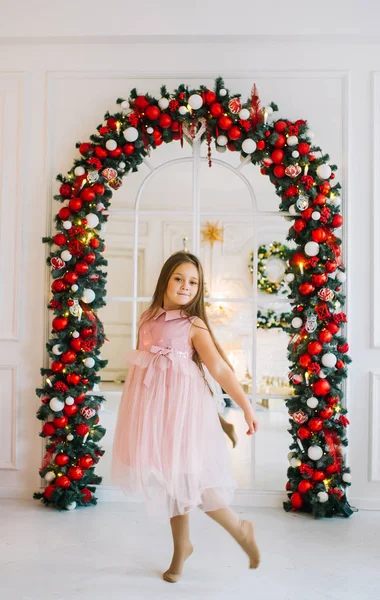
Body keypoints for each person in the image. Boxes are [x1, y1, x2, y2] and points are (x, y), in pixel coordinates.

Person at [111, 251, 260, 582]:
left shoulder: (194, 326)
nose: (185, 286)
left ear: (200, 289)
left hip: (184, 414)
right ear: (165, 279)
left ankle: (239, 530)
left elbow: (219, 368)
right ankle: (183, 546)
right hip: (153, 412)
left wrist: (246, 407)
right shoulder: (147, 318)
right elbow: (143, 369)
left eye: (193, 282)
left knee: (192, 480)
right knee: (170, 479)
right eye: (179, 278)